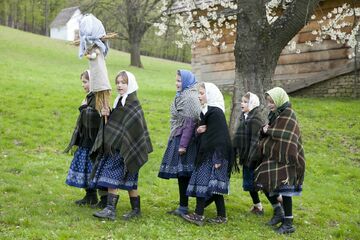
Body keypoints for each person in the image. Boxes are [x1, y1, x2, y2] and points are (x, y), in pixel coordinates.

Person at [90, 70, 153, 221]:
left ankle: (114, 210)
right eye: (117, 82)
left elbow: (132, 126)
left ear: (130, 84)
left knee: (120, 177)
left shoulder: (133, 103)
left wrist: (112, 116)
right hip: (118, 147)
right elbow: (117, 121)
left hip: (127, 147)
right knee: (125, 179)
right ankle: (133, 210)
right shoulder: (120, 100)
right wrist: (108, 113)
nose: (119, 85)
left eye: (123, 83)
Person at [254, 87, 305, 234]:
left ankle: (288, 223)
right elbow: (269, 131)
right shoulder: (275, 114)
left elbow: (287, 136)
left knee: (285, 189)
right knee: (263, 180)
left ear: (279, 100)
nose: (269, 105)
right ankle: (278, 212)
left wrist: (267, 131)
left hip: (288, 157)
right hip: (276, 156)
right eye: (268, 102)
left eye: (272, 102)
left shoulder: (289, 114)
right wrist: (264, 131)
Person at [182, 82, 233, 226]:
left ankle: (199, 215)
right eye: (199, 93)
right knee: (208, 185)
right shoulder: (205, 112)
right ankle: (221, 217)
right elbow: (204, 134)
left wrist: (218, 159)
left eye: (202, 93)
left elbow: (221, 138)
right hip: (206, 154)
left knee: (207, 185)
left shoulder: (215, 112)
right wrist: (198, 131)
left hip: (215, 156)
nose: (199, 96)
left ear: (210, 94)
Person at [158, 70, 201, 216]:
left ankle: (194, 205)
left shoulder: (189, 97)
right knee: (182, 174)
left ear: (187, 82)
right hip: (179, 136)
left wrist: (182, 145)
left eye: (180, 81)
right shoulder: (182, 95)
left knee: (185, 174)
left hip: (186, 141)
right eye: (176, 80)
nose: (177, 83)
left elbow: (190, 124)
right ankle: (183, 206)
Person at [64, 70, 102, 206]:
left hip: (94, 142)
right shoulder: (89, 97)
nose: (83, 85)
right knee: (86, 168)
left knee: (93, 168)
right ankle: (90, 196)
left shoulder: (99, 98)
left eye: (85, 82)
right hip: (85, 139)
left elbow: (94, 119)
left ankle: (102, 199)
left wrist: (83, 108)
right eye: (83, 82)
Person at [233, 92, 265, 215]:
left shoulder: (255, 119)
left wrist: (252, 157)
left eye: (245, 101)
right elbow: (239, 137)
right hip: (246, 157)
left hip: (255, 157)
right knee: (249, 184)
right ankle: (258, 206)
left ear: (252, 103)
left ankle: (278, 203)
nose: (242, 103)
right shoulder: (243, 117)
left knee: (260, 184)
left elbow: (256, 141)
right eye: (242, 101)